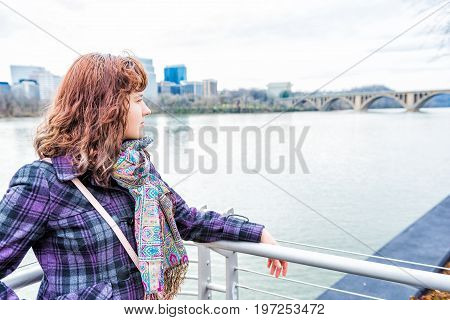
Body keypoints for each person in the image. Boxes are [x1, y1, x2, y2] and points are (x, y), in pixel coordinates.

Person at [0, 53, 288, 300]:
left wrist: (257, 233)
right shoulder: (44, 182)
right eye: (138, 100)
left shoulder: (138, 170)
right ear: (107, 108)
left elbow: (185, 219)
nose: (147, 110)